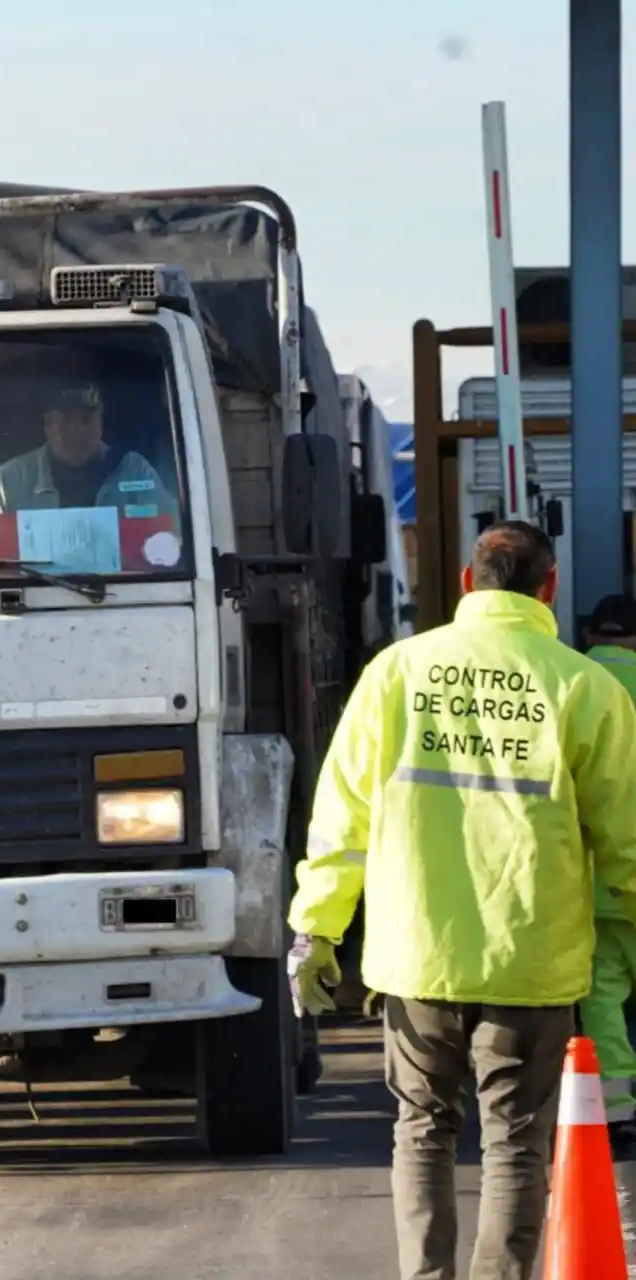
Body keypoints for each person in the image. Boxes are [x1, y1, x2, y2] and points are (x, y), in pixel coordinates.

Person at [286, 520, 636, 1280]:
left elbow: (342, 816)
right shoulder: (585, 687)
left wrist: (316, 929)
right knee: (514, 1140)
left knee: (422, 1130)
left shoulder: (396, 673)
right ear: (548, 588)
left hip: (418, 957)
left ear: (468, 582)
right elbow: (627, 840)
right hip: (530, 960)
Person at [578, 593, 636, 1153]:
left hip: (594, 882)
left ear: (592, 634)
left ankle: (618, 1108)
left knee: (601, 997)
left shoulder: (572, 683)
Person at [0, 382, 175, 517]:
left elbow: (169, 534)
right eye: (66, 419)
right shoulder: (7, 483)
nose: (78, 429)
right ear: (48, 424)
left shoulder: (135, 472)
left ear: (101, 422)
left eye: (87, 419)